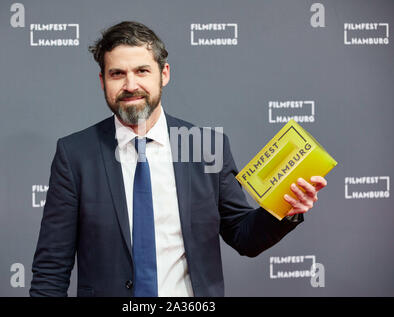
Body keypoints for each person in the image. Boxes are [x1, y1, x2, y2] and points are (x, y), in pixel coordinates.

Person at [30, 21, 327, 297]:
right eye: (117, 73)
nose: (130, 85)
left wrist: (285, 208)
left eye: (142, 71)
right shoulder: (75, 154)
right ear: (102, 80)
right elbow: (51, 269)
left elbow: (243, 235)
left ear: (165, 74)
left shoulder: (206, 146)